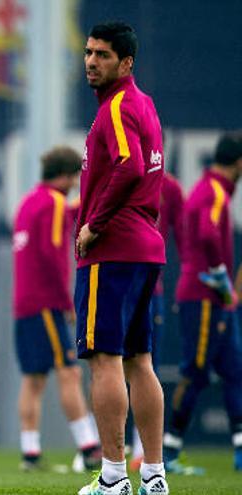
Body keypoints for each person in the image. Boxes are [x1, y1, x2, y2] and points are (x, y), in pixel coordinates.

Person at [74, 21, 168, 495]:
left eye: (104, 55)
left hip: (113, 249)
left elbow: (130, 166)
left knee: (104, 359)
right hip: (146, 246)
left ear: (126, 63)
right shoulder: (145, 104)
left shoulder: (116, 107)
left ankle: (113, 477)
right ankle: (153, 475)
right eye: (89, 53)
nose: (91, 61)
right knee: (140, 361)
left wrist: (95, 224)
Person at [11, 146, 101, 472]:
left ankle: (30, 453)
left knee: (33, 380)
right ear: (65, 176)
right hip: (46, 302)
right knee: (70, 372)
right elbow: (52, 253)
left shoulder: (29, 202)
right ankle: (90, 447)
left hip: (24, 304)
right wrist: (67, 302)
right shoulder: (53, 202)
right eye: (76, 178)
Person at [164, 131, 242, 474]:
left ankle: (240, 449)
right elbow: (209, 236)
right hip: (205, 297)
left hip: (214, 298)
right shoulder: (212, 191)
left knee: (234, 371)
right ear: (238, 162)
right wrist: (221, 279)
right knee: (194, 372)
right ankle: (168, 450)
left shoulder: (212, 189)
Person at [129, 171, 184, 471]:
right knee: (110, 363)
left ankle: (143, 450)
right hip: (122, 280)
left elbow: (183, 235)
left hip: (148, 285)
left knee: (143, 363)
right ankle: (119, 449)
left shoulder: (170, 187)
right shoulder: (123, 174)